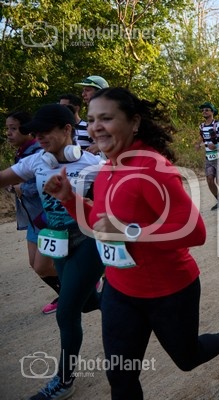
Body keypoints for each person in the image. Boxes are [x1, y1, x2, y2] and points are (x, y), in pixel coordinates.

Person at [43, 87, 219, 399]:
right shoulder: (107, 169)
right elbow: (100, 223)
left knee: (187, 358)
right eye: (92, 119)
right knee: (120, 377)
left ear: (134, 122)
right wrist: (69, 198)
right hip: (119, 290)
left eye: (106, 118)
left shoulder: (153, 167)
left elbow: (195, 232)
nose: (96, 127)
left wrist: (130, 231)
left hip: (169, 290)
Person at [0, 104, 105, 400]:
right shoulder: (36, 161)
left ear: (67, 129)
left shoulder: (94, 165)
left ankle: (64, 380)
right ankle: (123, 303)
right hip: (57, 243)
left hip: (88, 242)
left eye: (45, 131)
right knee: (88, 303)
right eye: (36, 132)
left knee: (67, 311)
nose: (39, 137)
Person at [5, 111, 60, 314]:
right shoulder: (23, 152)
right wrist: (14, 186)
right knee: (36, 264)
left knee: (43, 266)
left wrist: (20, 188)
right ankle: (67, 293)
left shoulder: (39, 153)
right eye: (7, 129)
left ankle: (82, 285)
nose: (9, 133)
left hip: (45, 216)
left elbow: (43, 184)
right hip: (32, 218)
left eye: (13, 128)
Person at [74, 75, 109, 154]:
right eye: (83, 91)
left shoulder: (113, 111)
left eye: (87, 90)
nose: (83, 94)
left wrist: (99, 146)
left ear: (100, 93)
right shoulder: (94, 113)